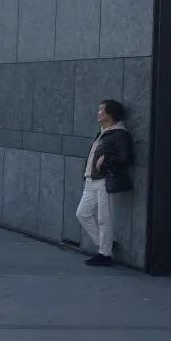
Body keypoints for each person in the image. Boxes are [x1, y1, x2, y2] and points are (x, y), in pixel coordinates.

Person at [75, 98, 133, 267]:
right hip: (91, 179)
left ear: (111, 113)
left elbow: (126, 158)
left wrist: (107, 159)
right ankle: (106, 245)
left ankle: (105, 254)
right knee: (82, 214)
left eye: (101, 110)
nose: (98, 112)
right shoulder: (103, 132)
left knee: (104, 219)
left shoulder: (120, 134)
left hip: (105, 180)